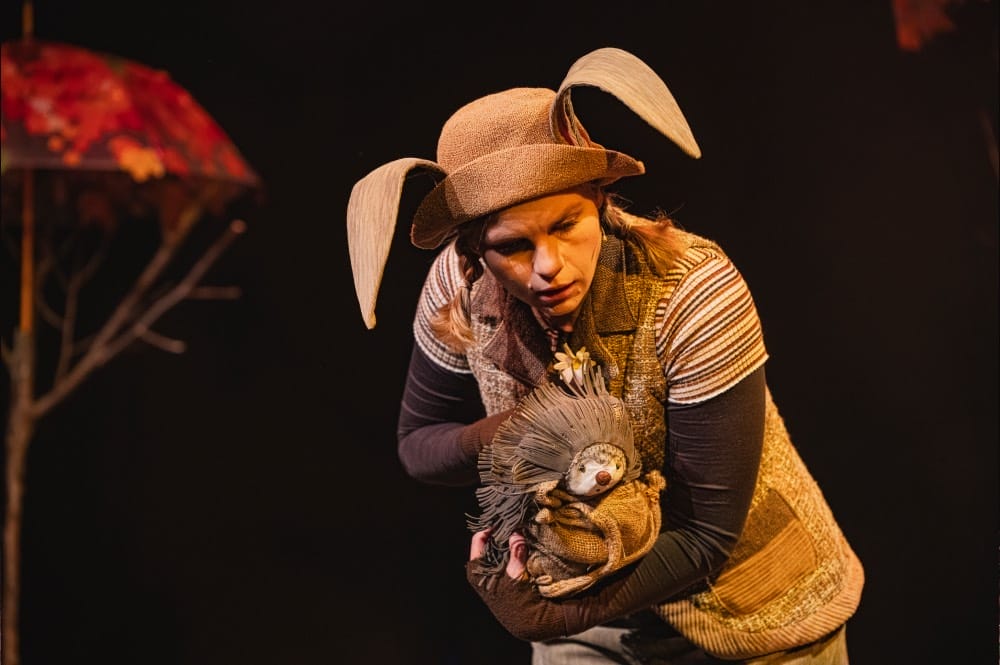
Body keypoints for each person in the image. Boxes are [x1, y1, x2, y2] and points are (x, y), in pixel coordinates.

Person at [346, 47, 864, 664]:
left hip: (747, 611)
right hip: (584, 601)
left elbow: (706, 535)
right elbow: (418, 443)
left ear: (600, 201)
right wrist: (507, 436)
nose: (548, 267)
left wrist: (553, 612)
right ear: (472, 252)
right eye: (513, 245)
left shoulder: (692, 288)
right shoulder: (457, 288)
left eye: (566, 225)